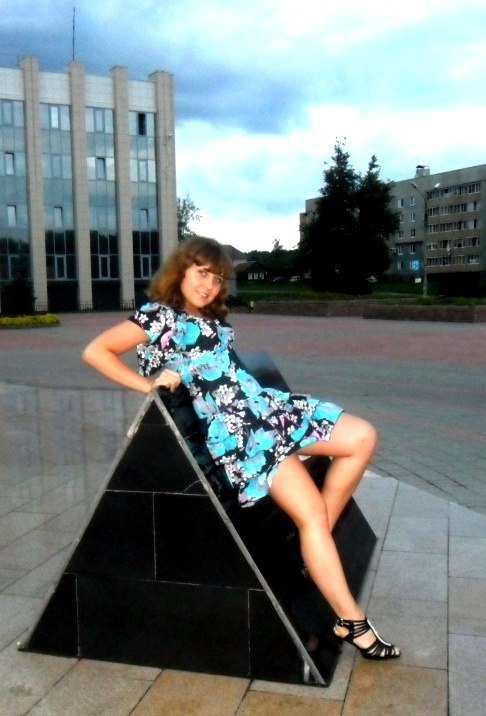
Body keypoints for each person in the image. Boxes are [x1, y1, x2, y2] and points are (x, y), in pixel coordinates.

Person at [82, 237, 400, 661]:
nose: (209, 285)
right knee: (309, 514)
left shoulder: (209, 316)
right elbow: (96, 351)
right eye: (202, 273)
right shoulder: (159, 316)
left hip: (268, 410)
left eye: (217, 278)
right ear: (181, 270)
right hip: (242, 434)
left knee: (361, 436)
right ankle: (351, 621)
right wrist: (148, 384)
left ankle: (315, 543)